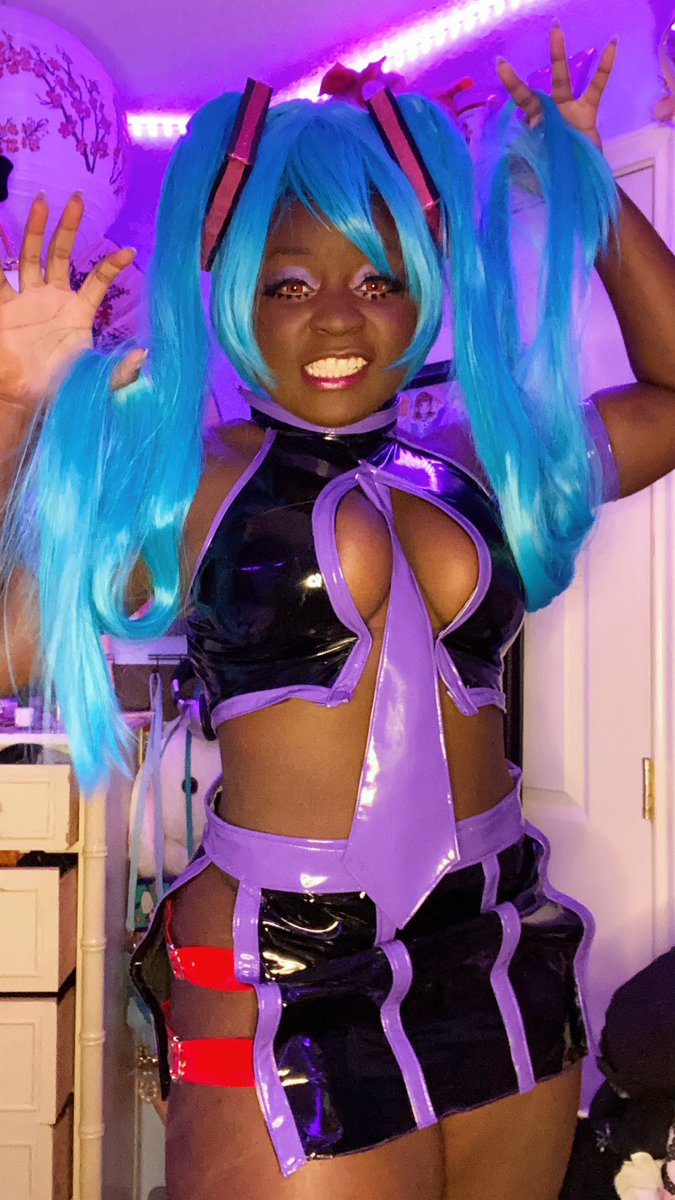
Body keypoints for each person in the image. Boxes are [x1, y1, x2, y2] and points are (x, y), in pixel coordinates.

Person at [0, 23, 674, 1200]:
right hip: (283, 976)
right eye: (290, 284)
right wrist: (15, 416)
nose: (338, 320)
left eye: (377, 280)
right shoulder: (186, 481)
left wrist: (594, 196)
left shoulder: (480, 462)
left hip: (499, 948)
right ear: (232, 292)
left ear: (423, 291)